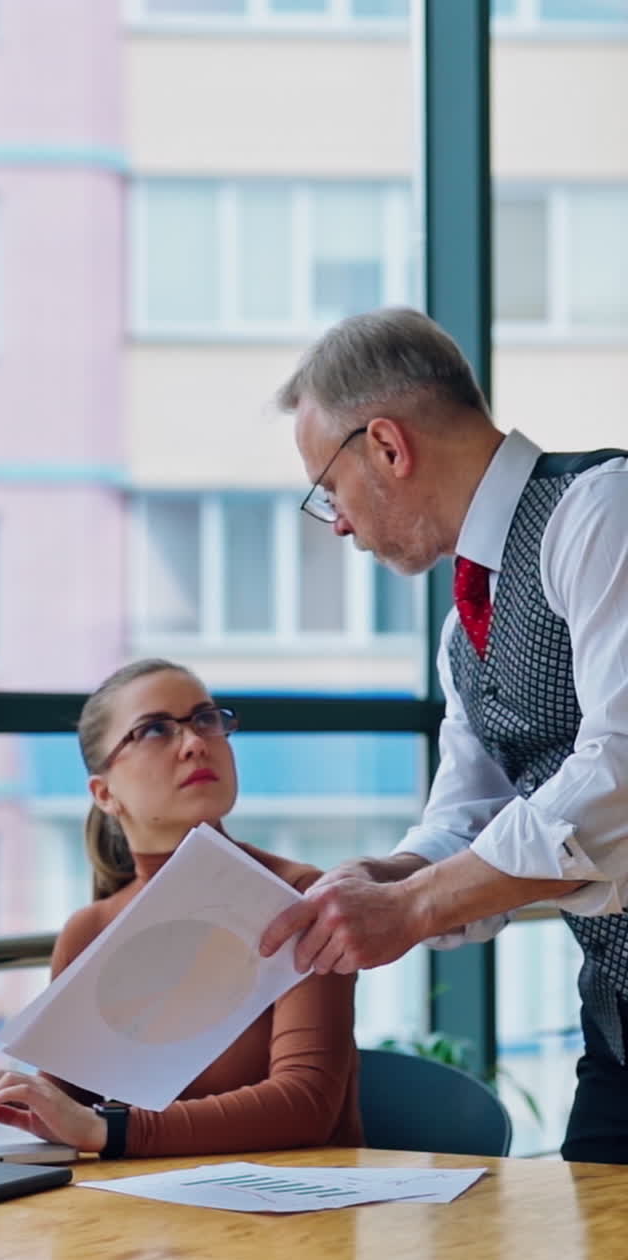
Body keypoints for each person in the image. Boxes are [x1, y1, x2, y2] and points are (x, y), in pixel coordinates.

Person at [259, 305, 628, 1164]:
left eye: (328, 491)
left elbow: (618, 769)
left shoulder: (601, 514)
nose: (339, 523)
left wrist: (412, 906)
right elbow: (466, 815)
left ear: (386, 446)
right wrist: (383, 875)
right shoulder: (463, 630)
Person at [0, 659, 362, 1157]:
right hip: (145, 1216)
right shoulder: (89, 931)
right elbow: (63, 1109)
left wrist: (112, 1131)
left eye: (206, 719)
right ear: (104, 794)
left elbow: (306, 1106)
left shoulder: (299, 898)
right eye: (154, 730)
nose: (194, 743)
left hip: (302, 1216)